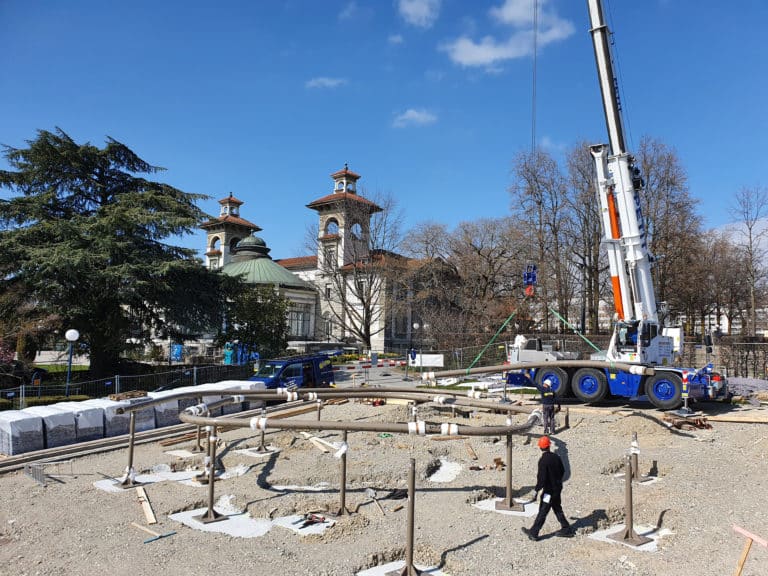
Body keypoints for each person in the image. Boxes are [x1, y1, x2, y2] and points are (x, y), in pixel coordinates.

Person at [521, 436, 574, 541]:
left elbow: (542, 478)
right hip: (557, 488)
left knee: (543, 510)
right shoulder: (556, 457)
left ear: (540, 448)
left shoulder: (543, 460)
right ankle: (566, 528)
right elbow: (563, 471)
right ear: (549, 446)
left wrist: (536, 490)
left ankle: (534, 532)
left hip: (549, 491)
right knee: (557, 507)